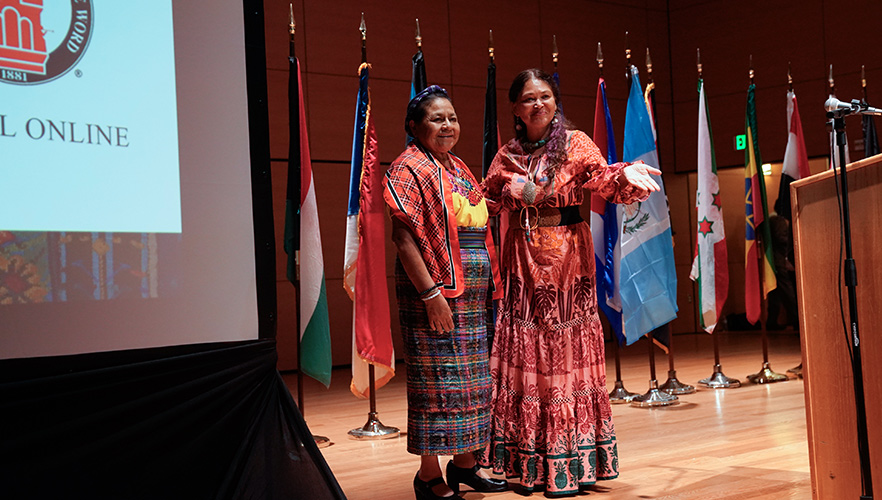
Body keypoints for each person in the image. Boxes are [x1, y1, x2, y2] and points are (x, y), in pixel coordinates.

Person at [480, 69, 661, 496]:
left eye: (545, 96)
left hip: (567, 258)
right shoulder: (506, 154)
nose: (537, 104)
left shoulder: (576, 144)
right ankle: (524, 460)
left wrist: (624, 176)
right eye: (528, 98)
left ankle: (571, 459)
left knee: (564, 347)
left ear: (555, 101)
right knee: (525, 346)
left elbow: (603, 177)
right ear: (515, 108)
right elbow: (485, 198)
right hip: (521, 256)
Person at [384, 85, 508, 500]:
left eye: (452, 118)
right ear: (414, 126)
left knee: (470, 383)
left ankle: (466, 464)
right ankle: (428, 476)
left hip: (471, 293)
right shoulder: (407, 167)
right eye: (437, 119)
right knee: (436, 383)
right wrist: (431, 295)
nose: (448, 125)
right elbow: (403, 238)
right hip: (434, 290)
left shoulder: (457, 166)